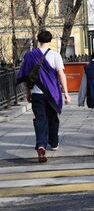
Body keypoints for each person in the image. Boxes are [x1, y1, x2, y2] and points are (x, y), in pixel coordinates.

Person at [16, 30, 71, 163]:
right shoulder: (55, 55)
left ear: (38, 40)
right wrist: (66, 93)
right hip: (53, 93)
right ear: (50, 40)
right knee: (53, 119)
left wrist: (28, 92)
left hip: (37, 93)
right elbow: (61, 75)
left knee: (40, 120)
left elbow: (27, 76)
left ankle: (41, 144)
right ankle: (54, 143)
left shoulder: (30, 55)